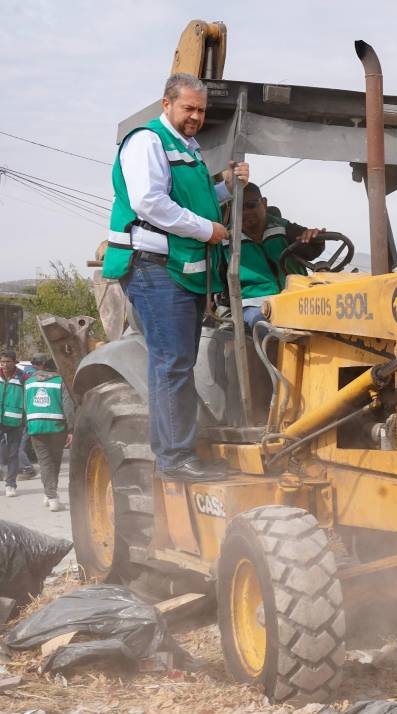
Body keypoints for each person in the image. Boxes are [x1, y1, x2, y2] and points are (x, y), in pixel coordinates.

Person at [101, 73, 249, 482]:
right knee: (173, 363)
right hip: (154, 268)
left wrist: (227, 188)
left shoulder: (188, 149)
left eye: (201, 110)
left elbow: (192, 201)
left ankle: (180, 451)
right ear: (166, 104)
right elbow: (149, 202)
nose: (196, 116)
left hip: (176, 270)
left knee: (178, 362)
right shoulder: (147, 142)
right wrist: (206, 230)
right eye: (189, 108)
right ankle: (174, 458)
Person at [227, 183, 324, 331]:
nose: (246, 212)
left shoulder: (284, 229)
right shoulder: (226, 240)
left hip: (296, 299)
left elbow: (311, 249)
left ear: (264, 203)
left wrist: (315, 238)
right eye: (239, 208)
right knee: (263, 324)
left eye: (251, 205)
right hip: (254, 305)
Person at [23, 354, 72, 512]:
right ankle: (52, 496)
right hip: (57, 427)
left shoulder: (29, 382)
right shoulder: (60, 381)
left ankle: (49, 495)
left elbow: (26, 406)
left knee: (44, 463)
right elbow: (68, 407)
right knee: (55, 462)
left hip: (36, 427)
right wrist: (71, 429)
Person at [0, 350, 23, 497]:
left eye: (8, 361)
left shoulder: (23, 378)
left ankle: (11, 484)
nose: (4, 364)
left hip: (16, 421)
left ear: (15, 362)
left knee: (13, 454)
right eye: (2, 362)